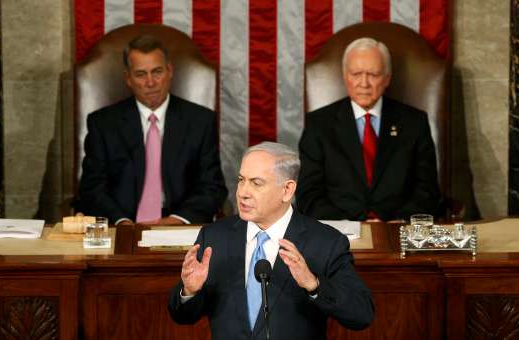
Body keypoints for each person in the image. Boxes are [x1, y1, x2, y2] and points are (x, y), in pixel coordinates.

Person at [168, 142, 374, 340]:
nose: (243, 192)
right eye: (241, 180)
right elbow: (182, 316)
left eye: (256, 183)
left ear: (287, 190)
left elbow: (361, 315)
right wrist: (190, 292)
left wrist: (313, 285)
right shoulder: (214, 237)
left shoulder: (325, 242)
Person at [77, 35, 227, 225]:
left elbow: (212, 187)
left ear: (169, 71)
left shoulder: (200, 121)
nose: (150, 82)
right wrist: (122, 223)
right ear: (128, 79)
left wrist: (177, 220)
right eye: (141, 74)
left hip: (179, 225)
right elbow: (92, 189)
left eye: (157, 72)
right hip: (122, 227)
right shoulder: (103, 124)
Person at [297, 37, 441, 222]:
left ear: (387, 78)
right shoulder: (319, 124)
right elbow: (308, 194)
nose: (364, 83)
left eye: (373, 74)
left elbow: (427, 189)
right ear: (345, 76)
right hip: (338, 233)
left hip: (396, 229)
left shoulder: (414, 122)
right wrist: (347, 226)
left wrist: (399, 221)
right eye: (356, 74)